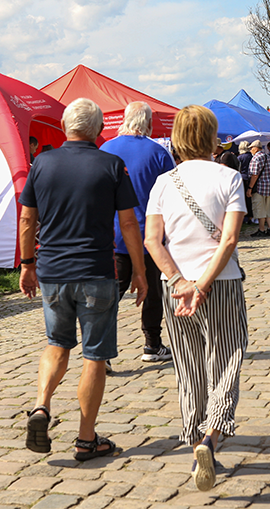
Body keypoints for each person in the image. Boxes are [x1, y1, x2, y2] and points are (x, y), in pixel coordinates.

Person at [19, 98, 146, 462]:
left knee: (56, 344)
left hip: (53, 272)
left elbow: (28, 219)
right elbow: (127, 223)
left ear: (63, 126)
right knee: (94, 356)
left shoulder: (41, 163)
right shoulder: (111, 165)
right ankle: (86, 439)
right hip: (96, 272)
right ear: (99, 129)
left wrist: (28, 264)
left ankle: (42, 405)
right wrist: (138, 270)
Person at [144, 104, 247, 492]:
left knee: (189, 366)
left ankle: (195, 444)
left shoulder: (163, 183)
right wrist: (202, 285)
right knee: (227, 355)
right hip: (219, 283)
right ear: (212, 137)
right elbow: (230, 239)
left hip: (177, 286)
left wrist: (179, 280)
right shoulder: (229, 177)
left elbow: (153, 240)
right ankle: (211, 436)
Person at [100, 101, 175, 365]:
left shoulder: (105, 149)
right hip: (150, 235)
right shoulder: (158, 153)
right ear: (148, 123)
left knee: (111, 294)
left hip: (114, 234)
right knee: (153, 292)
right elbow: (172, 195)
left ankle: (102, 351)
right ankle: (152, 344)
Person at [247, 140, 270, 237]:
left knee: (260, 209)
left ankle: (261, 229)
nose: (250, 150)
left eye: (251, 148)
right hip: (268, 187)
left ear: (256, 148)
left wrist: (250, 188)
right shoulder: (268, 157)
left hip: (259, 187)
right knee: (267, 209)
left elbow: (254, 175)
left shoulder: (256, 158)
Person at [237, 141, 253, 223]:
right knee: (250, 199)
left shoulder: (240, 157)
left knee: (243, 198)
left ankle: (244, 217)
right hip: (251, 178)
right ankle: (251, 217)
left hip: (242, 178)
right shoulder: (252, 156)